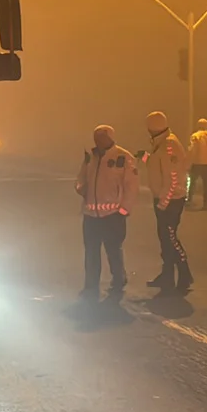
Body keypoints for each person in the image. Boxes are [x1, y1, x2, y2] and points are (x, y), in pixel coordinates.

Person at [75, 125, 139, 298]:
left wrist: (124, 210)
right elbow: (81, 177)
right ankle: (90, 285)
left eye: (103, 136)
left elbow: (131, 186)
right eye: (96, 136)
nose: (99, 139)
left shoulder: (123, 157)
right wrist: (80, 187)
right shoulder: (90, 157)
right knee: (91, 251)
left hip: (112, 215)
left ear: (111, 137)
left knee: (113, 249)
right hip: (90, 215)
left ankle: (118, 279)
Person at [144, 111, 193, 292]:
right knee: (165, 239)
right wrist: (144, 157)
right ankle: (168, 275)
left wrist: (163, 203)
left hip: (170, 201)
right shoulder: (162, 144)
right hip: (166, 199)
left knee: (170, 238)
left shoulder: (169, 145)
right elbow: (157, 166)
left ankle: (184, 274)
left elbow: (172, 179)